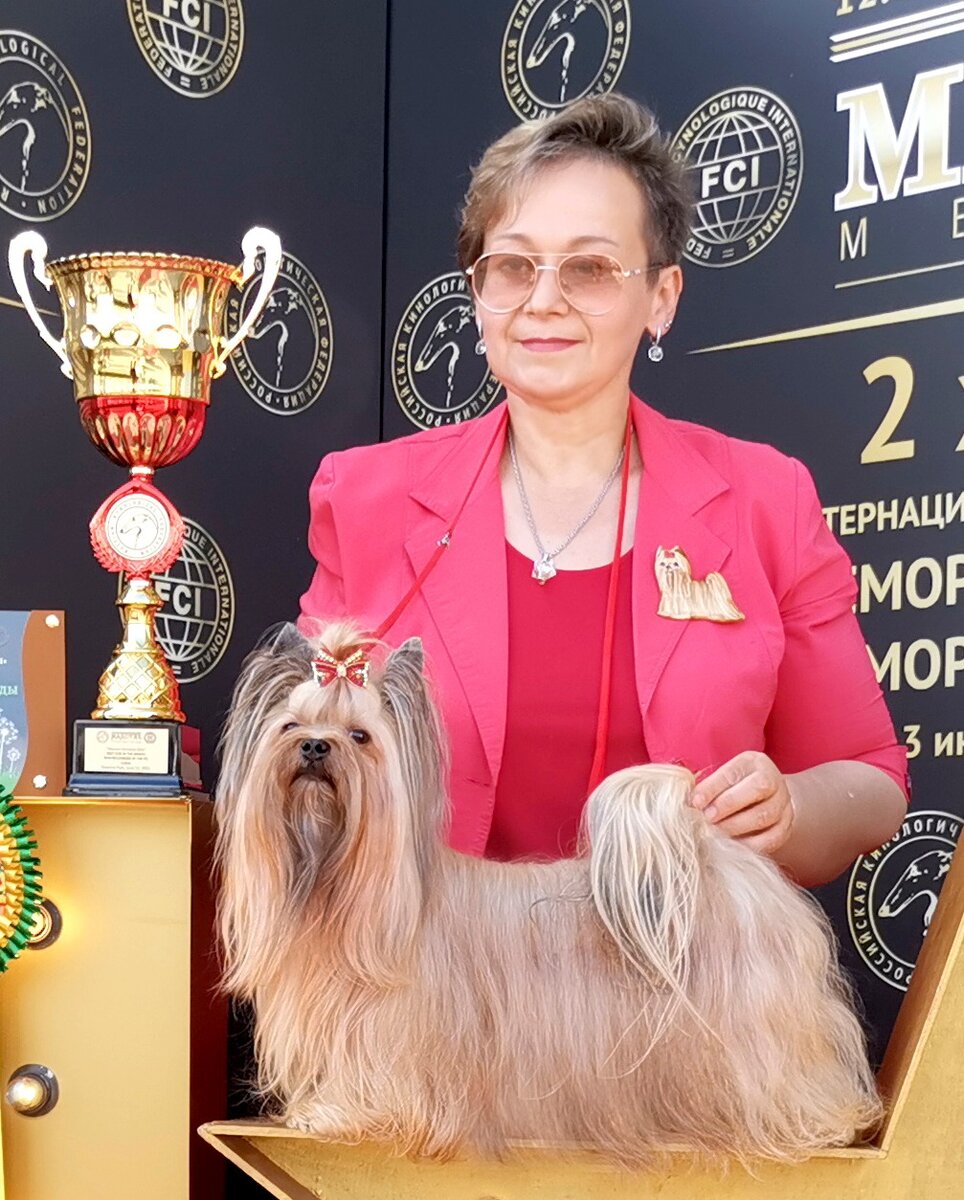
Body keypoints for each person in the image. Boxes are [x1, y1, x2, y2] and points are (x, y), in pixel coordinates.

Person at [299, 92, 909, 888]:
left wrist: (792, 806)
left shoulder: (767, 500)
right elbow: (308, 769)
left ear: (662, 299)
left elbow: (869, 779)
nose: (542, 299)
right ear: (479, 294)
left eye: (588, 268)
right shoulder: (366, 498)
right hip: (424, 994)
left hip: (686, 993)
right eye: (513, 266)